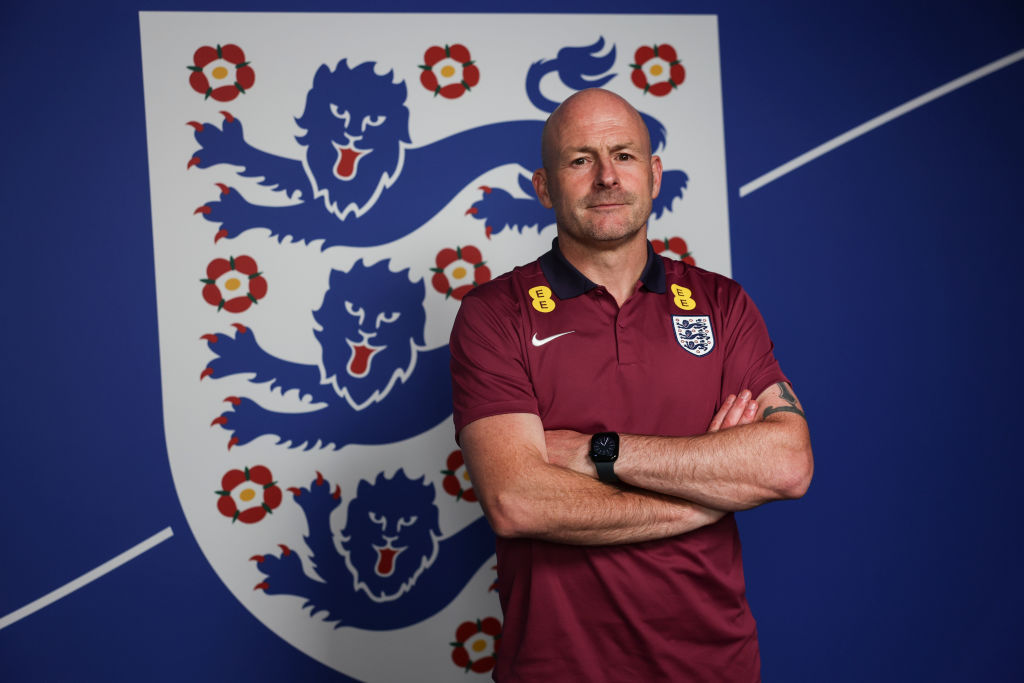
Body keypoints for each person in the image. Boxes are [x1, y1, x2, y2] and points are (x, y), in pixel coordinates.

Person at [448, 88, 813, 682]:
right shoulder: (496, 314)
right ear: (543, 187)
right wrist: (705, 495)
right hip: (556, 669)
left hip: (714, 665)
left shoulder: (723, 304)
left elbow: (788, 464)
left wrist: (601, 453)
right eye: (579, 159)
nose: (606, 177)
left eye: (623, 154)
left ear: (654, 174)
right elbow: (518, 501)